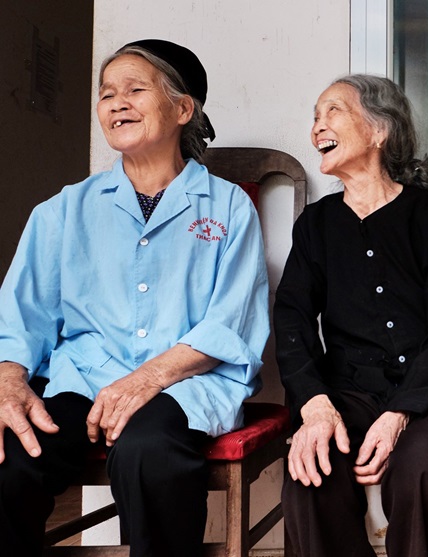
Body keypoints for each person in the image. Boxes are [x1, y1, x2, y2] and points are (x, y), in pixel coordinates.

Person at [0, 39, 269, 557]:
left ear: (183, 108)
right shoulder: (65, 208)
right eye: (107, 94)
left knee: (148, 453)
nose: (117, 103)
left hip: (187, 381)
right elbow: (23, 311)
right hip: (85, 379)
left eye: (135, 90)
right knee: (13, 459)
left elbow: (231, 322)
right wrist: (9, 381)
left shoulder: (228, 206)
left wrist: (148, 379)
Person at [274, 74, 428, 557]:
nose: (317, 126)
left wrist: (399, 413)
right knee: (310, 473)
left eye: (332, 111)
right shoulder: (317, 223)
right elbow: (291, 319)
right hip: (350, 389)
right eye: (314, 116)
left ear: (379, 131)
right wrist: (314, 405)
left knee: (419, 468)